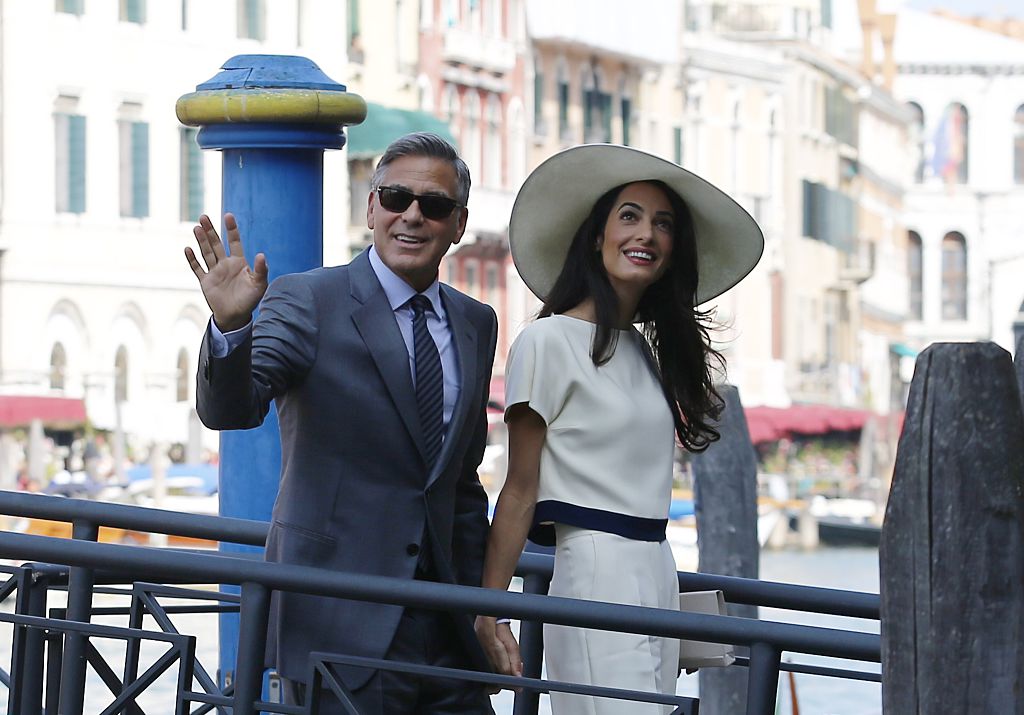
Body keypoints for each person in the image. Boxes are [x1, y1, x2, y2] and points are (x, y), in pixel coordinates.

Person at [185, 132, 498, 715]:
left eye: (433, 205)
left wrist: (485, 607)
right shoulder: (308, 299)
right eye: (396, 197)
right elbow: (231, 410)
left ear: (457, 224)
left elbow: (460, 482)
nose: (412, 215)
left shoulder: (476, 322)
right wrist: (231, 329)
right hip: (341, 623)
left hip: (448, 634)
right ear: (371, 207)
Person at [474, 144, 764, 714]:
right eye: (629, 215)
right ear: (596, 236)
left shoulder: (641, 349)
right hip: (596, 569)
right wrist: (491, 610)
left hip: (657, 567)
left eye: (663, 223)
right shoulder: (547, 341)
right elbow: (520, 489)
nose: (647, 233)